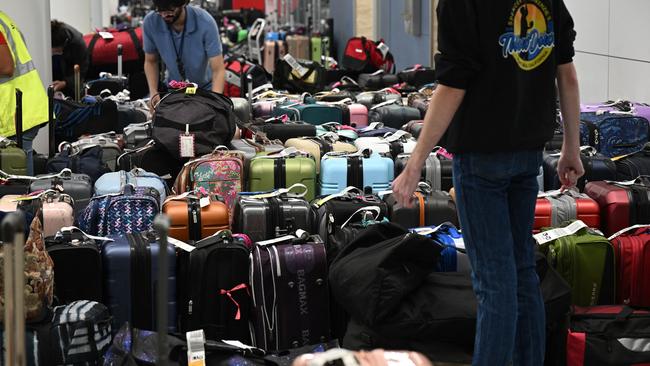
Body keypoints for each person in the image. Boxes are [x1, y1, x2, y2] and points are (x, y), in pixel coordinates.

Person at [391, 0, 583, 365]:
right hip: (529, 153)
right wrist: (571, 147)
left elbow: (453, 84)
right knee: (522, 272)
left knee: (494, 284)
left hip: (481, 159)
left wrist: (416, 162)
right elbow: (567, 72)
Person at [142, 0, 226, 112]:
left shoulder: (205, 22)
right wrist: (153, 91)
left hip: (205, 90)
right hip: (173, 90)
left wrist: (215, 101)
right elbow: (151, 61)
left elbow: (218, 69)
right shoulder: (151, 22)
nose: (165, 15)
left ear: (183, 4)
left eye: (171, 11)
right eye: (160, 11)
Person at [0, 11, 49, 176]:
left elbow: (6, 67)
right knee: (18, 173)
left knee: (17, 180)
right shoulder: (3, 18)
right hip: (21, 106)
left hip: (15, 110)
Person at [50, 20, 89, 97]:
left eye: (57, 50)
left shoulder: (78, 45)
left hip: (69, 78)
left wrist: (65, 83)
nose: (53, 52)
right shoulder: (47, 33)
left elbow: (81, 72)